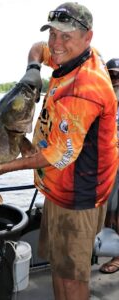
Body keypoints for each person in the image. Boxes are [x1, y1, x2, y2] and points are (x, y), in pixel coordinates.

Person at [0, 2, 118, 300]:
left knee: (72, 278)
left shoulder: (85, 89)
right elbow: (37, 47)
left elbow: (57, 154)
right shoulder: (70, 56)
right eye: (54, 34)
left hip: (78, 196)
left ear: (88, 38)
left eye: (66, 36)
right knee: (59, 266)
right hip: (58, 188)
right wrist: (32, 70)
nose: (56, 45)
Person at [99, 58, 119, 274]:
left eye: (117, 76)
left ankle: (118, 256)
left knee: (117, 212)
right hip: (105, 165)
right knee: (106, 213)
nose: (114, 80)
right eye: (110, 75)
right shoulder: (103, 99)